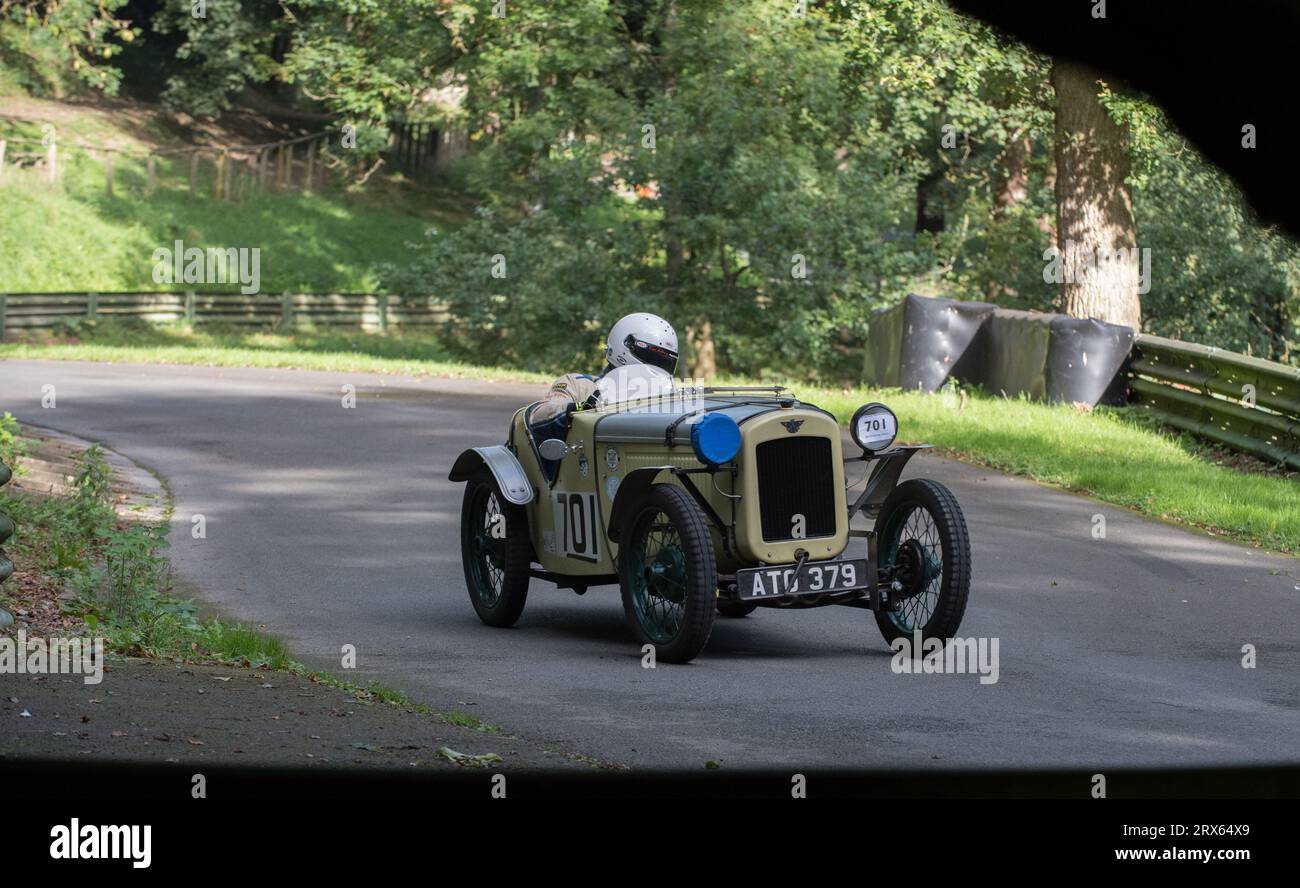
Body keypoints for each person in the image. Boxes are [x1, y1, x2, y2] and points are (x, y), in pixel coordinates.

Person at [528, 312, 678, 428]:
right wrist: (583, 408)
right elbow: (538, 416)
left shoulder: (670, 397)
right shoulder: (578, 385)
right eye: (652, 357)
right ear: (624, 345)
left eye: (663, 362)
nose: (656, 367)